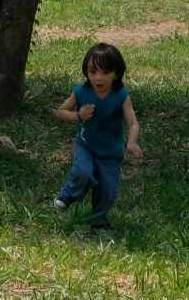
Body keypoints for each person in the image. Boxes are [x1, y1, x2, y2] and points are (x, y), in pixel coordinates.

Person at [50, 41, 143, 233]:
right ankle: (67, 197)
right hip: (86, 146)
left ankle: (98, 221)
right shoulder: (81, 92)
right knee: (82, 172)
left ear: (116, 73)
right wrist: (78, 116)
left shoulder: (121, 96)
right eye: (93, 72)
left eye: (105, 72)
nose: (98, 77)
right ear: (86, 72)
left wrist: (132, 142)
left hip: (111, 153)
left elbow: (133, 123)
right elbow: (60, 112)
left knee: (108, 191)